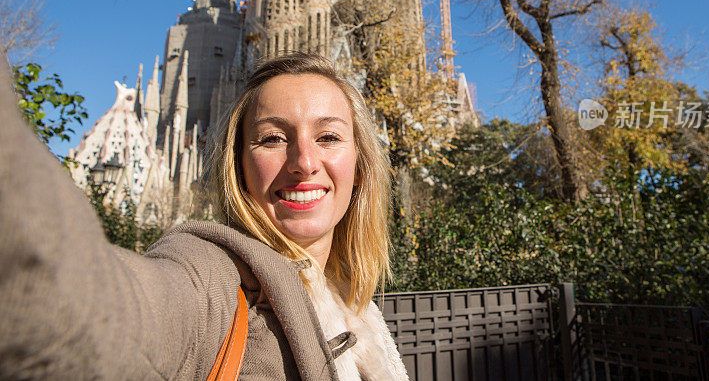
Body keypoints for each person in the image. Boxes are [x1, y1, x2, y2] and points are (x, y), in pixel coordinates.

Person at [0, 53, 409, 380]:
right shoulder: (213, 278)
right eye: (272, 138)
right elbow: (105, 312)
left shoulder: (358, 308)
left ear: (360, 169)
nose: (304, 161)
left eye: (329, 137)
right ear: (239, 168)